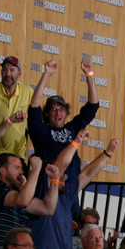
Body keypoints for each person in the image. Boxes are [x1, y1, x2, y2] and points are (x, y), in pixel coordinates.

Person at [27, 58, 100, 223]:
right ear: (47, 113)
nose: (58, 113)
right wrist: (46, 74)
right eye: (53, 109)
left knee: (70, 227)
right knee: (45, 222)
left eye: (61, 109)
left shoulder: (73, 128)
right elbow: (33, 107)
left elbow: (93, 105)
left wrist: (89, 74)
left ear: (66, 112)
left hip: (70, 188)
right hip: (47, 186)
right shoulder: (41, 131)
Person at [0, 152, 52, 249]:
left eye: (21, 168)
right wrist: (36, 170)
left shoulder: (16, 194)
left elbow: (47, 209)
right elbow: (23, 200)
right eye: (17, 168)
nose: (21, 172)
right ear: (3, 171)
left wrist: (55, 180)